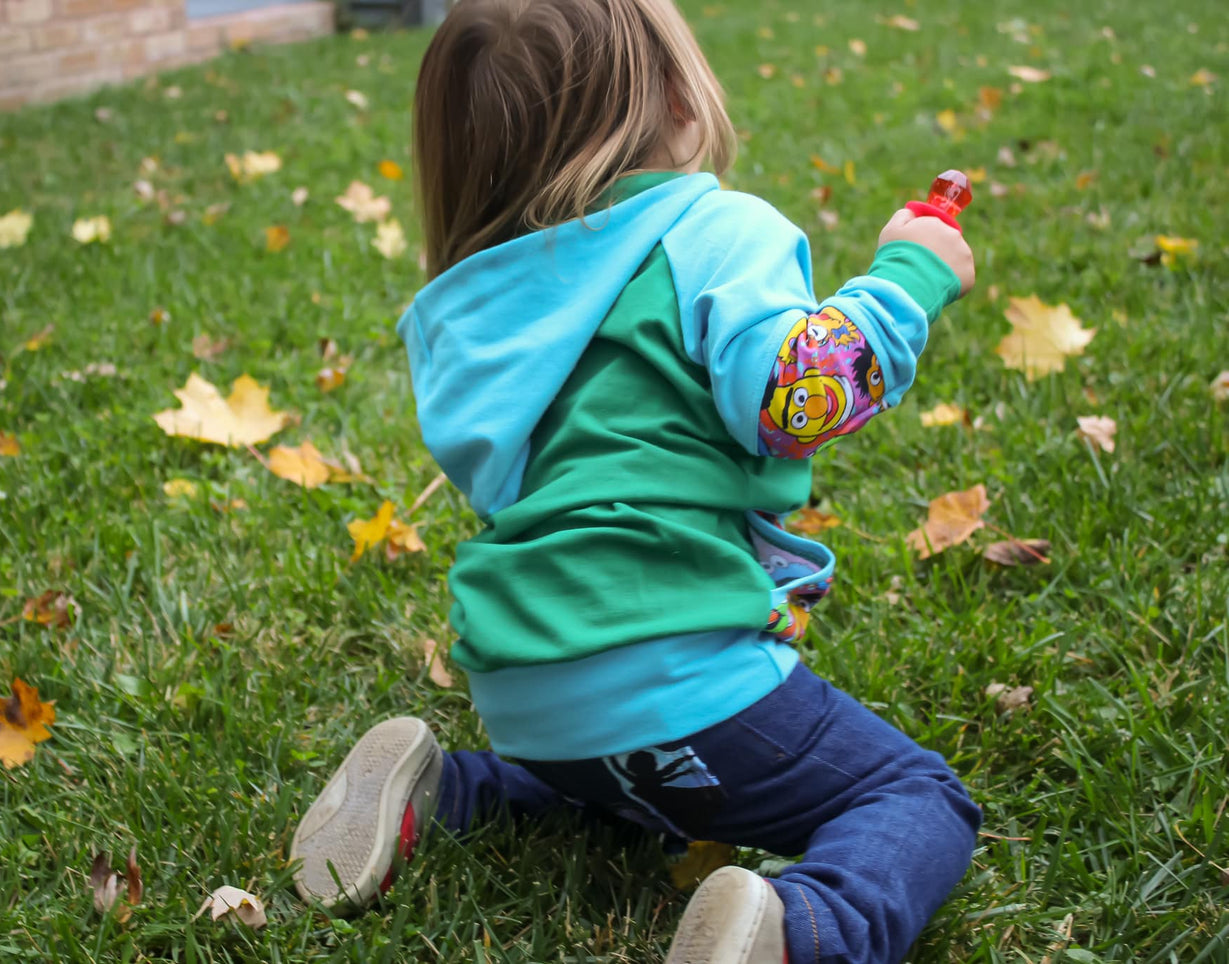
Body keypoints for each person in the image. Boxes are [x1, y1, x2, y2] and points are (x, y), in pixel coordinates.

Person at [290, 0, 981, 960]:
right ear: (672, 92)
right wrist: (904, 281)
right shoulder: (713, 226)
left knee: (628, 783)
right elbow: (798, 397)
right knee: (913, 797)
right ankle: (800, 933)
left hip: (525, 689)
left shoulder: (477, 292)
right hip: (676, 668)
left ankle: (449, 791)